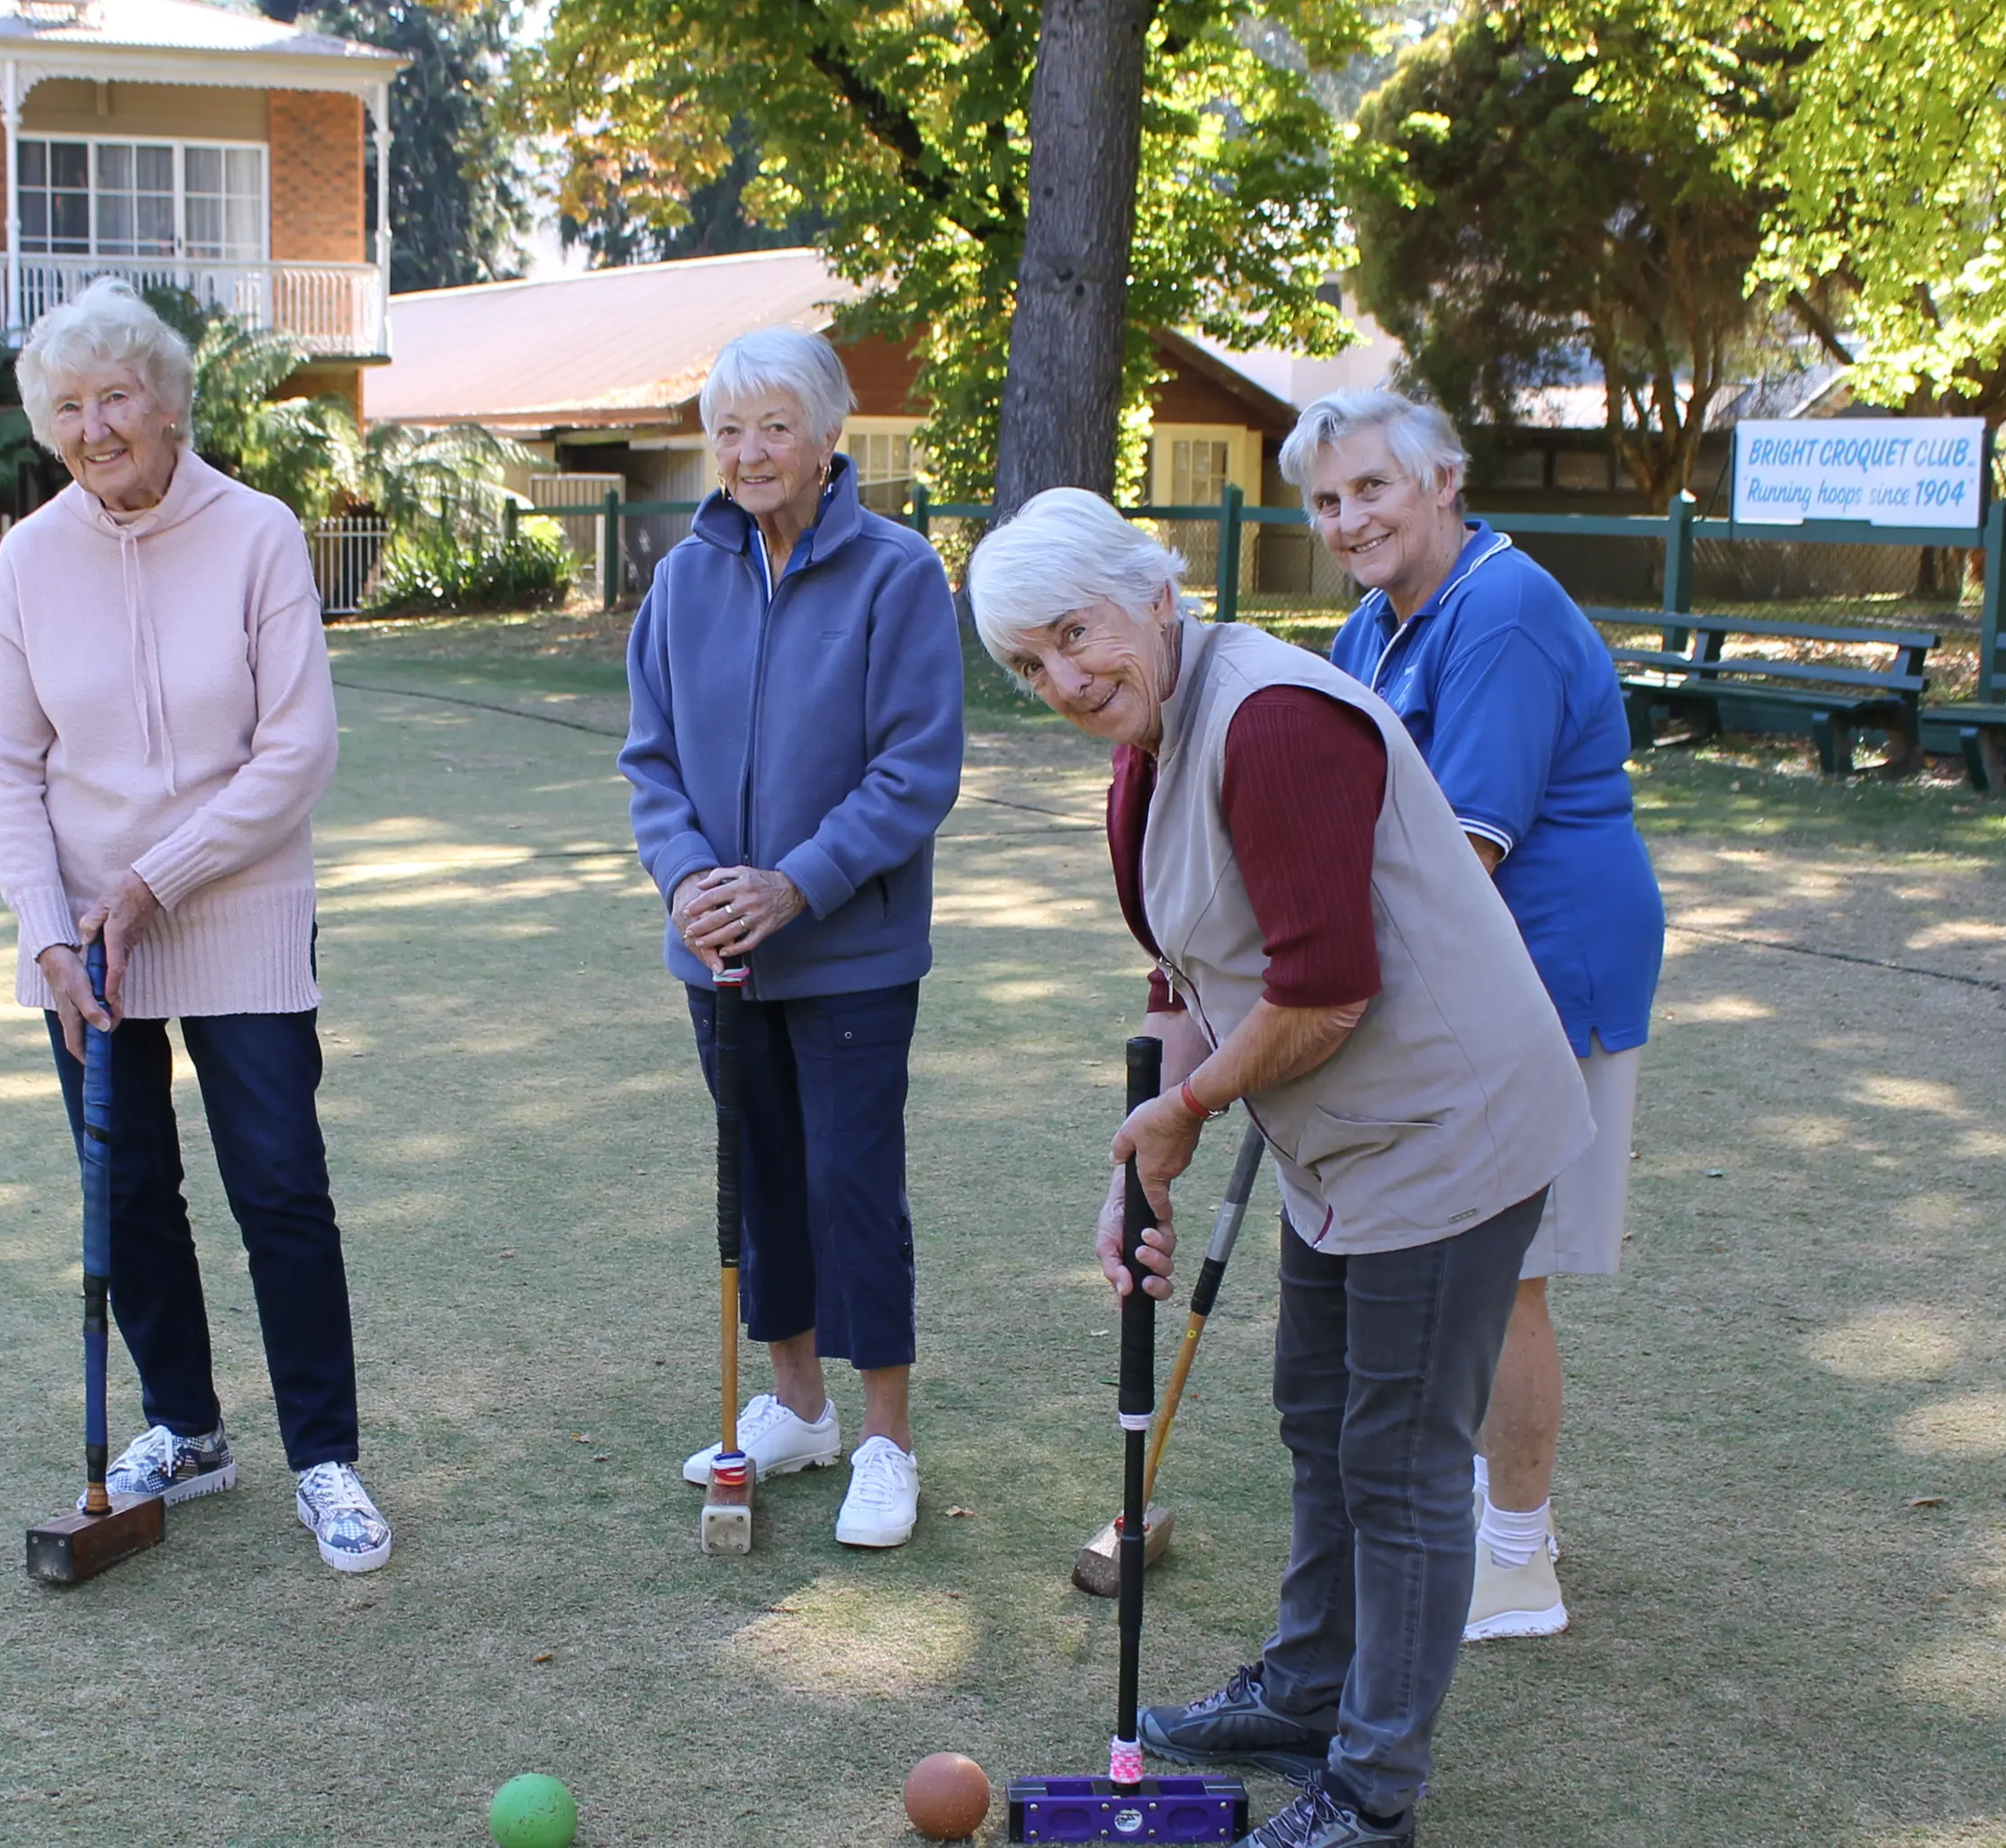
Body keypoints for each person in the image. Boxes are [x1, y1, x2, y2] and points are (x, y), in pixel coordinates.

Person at [967, 490, 1589, 1848]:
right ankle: (1309, 1693)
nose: (1064, 678)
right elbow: (1185, 975)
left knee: (1400, 1463)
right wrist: (1144, 1148)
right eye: (1029, 662)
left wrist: (1189, 1109)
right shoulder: (1147, 753)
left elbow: (1325, 991)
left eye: (1075, 632)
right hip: (1340, 1135)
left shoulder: (1274, 722)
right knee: (1318, 1414)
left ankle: (1372, 1792)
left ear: (1154, 593)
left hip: (1447, 1128)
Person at [0, 277, 390, 1574]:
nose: (95, 427)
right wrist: (50, 936)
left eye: (116, 398)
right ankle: (188, 1428)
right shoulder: (31, 557)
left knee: (280, 1187)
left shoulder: (259, 534)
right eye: (68, 407)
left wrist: (157, 881)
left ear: (168, 405)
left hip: (238, 913)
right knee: (129, 1193)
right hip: (87, 944)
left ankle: (324, 1457)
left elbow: (296, 752)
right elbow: (9, 766)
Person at [1285, 390, 1666, 1641]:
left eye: (1372, 487)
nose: (1349, 519)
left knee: (1507, 1277)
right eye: (1327, 500)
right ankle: (1464, 1511)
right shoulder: (1377, 624)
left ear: (1443, 480)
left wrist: (1318, 969)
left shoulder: (1499, 610)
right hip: (1459, 973)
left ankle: (1516, 1556)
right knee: (1456, 1263)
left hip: (1543, 970)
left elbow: (1466, 850)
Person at [619, 327, 965, 1549]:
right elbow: (651, 761)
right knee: (758, 1177)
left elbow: (915, 770)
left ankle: (885, 1439)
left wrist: (795, 887)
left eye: (775, 426)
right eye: (729, 429)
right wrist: (688, 883)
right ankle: (799, 1405)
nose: (750, 451)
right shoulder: (682, 580)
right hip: (718, 954)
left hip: (849, 952)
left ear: (828, 438)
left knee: (849, 1186)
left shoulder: (898, 573)